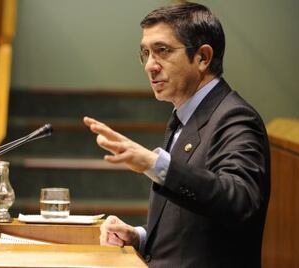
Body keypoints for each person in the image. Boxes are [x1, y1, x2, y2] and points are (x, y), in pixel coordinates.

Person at [83, 2, 270, 268]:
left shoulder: (235, 118)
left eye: (162, 51)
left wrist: (152, 163)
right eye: (145, 53)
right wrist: (139, 236)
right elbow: (190, 227)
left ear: (203, 57)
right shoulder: (185, 118)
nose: (150, 66)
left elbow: (240, 201)